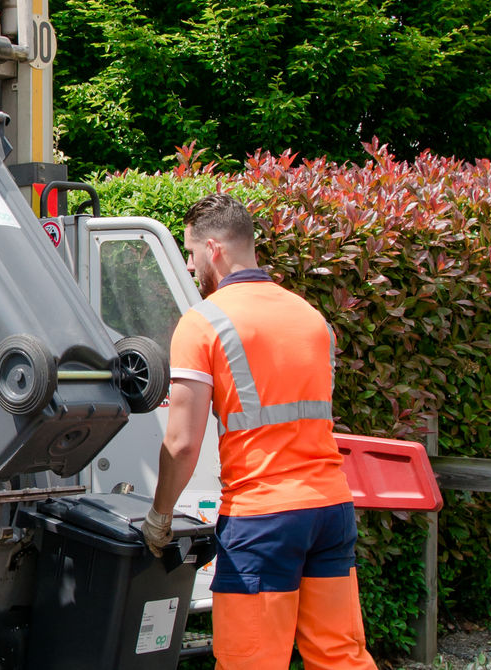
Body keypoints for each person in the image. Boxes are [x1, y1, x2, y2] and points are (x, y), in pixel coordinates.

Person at [142, 193, 376, 669]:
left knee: (251, 661)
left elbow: (182, 442)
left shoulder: (203, 322)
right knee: (339, 657)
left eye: (190, 253)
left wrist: (160, 515)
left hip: (262, 518)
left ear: (214, 250)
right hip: (330, 509)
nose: (189, 267)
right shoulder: (311, 318)